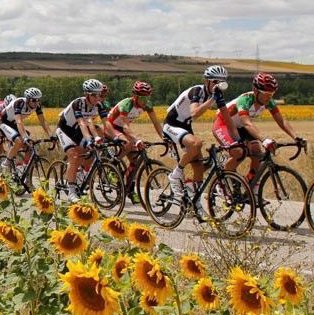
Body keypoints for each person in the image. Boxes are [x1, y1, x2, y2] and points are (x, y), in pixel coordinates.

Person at [163, 65, 235, 208]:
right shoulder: (197, 91)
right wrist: (212, 99)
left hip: (185, 126)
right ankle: (175, 175)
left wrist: (236, 140)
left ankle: (194, 202)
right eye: (215, 81)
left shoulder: (216, 95)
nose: (217, 85)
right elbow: (194, 113)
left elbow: (227, 119)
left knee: (199, 167)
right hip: (171, 123)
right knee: (196, 144)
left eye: (221, 82)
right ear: (207, 81)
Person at [213, 72, 304, 179]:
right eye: (266, 94)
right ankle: (221, 183)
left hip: (240, 127)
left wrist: (296, 137)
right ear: (256, 91)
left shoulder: (268, 101)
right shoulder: (245, 100)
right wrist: (264, 139)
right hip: (223, 125)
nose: (269, 97)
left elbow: (281, 121)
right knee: (239, 152)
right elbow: (247, 123)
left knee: (257, 153)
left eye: (272, 94)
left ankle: (251, 185)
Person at [56, 79, 116, 202]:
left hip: (78, 131)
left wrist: (116, 138)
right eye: (94, 95)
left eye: (99, 94)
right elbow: (82, 123)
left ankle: (77, 172)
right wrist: (89, 139)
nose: (97, 97)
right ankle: (71, 191)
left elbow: (106, 123)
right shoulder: (78, 103)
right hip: (65, 130)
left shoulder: (99, 105)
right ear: (87, 94)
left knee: (90, 152)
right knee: (73, 156)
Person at [107, 81, 164, 203]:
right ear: (135, 96)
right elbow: (125, 127)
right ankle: (113, 166)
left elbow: (156, 123)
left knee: (134, 161)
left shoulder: (147, 105)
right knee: (129, 143)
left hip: (122, 128)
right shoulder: (126, 104)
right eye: (143, 97)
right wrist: (136, 139)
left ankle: (129, 190)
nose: (146, 100)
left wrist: (165, 138)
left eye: (148, 97)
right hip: (111, 127)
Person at [0, 87, 53, 170]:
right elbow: (19, 122)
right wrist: (25, 137)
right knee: (20, 141)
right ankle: (7, 162)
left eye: (38, 100)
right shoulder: (19, 103)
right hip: (5, 123)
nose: (36, 102)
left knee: (29, 147)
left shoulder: (37, 106)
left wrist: (51, 135)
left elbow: (43, 121)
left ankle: (24, 169)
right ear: (28, 99)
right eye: (34, 100)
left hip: (14, 124)